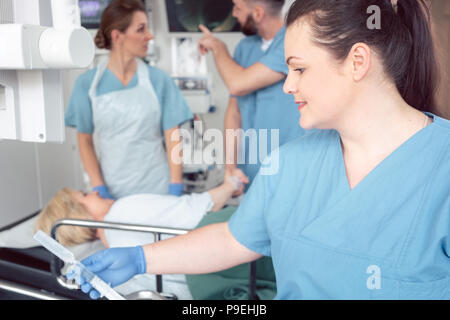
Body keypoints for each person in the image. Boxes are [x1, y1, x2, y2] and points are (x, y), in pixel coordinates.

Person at [72, 0, 450, 300]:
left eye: (298, 70)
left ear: (357, 62)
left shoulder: (441, 167)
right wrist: (140, 258)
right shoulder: (288, 163)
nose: (288, 86)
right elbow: (233, 239)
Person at [65, 0, 193, 200]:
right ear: (117, 36)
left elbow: (173, 138)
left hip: (158, 188)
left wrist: (175, 187)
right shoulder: (87, 85)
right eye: (141, 29)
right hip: (112, 191)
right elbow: (85, 142)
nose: (149, 36)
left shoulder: (159, 80)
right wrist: (100, 189)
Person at [198, 0, 305, 192]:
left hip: (290, 169)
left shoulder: (294, 41)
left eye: (238, 8)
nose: (233, 14)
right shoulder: (245, 47)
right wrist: (231, 167)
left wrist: (217, 46)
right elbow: (234, 112)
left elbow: (238, 84)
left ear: (257, 13)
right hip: (251, 170)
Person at [34, 172, 246, 248]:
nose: (95, 193)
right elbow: (196, 210)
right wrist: (231, 183)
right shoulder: (122, 210)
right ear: (80, 214)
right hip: (231, 244)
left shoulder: (114, 248)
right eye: (86, 195)